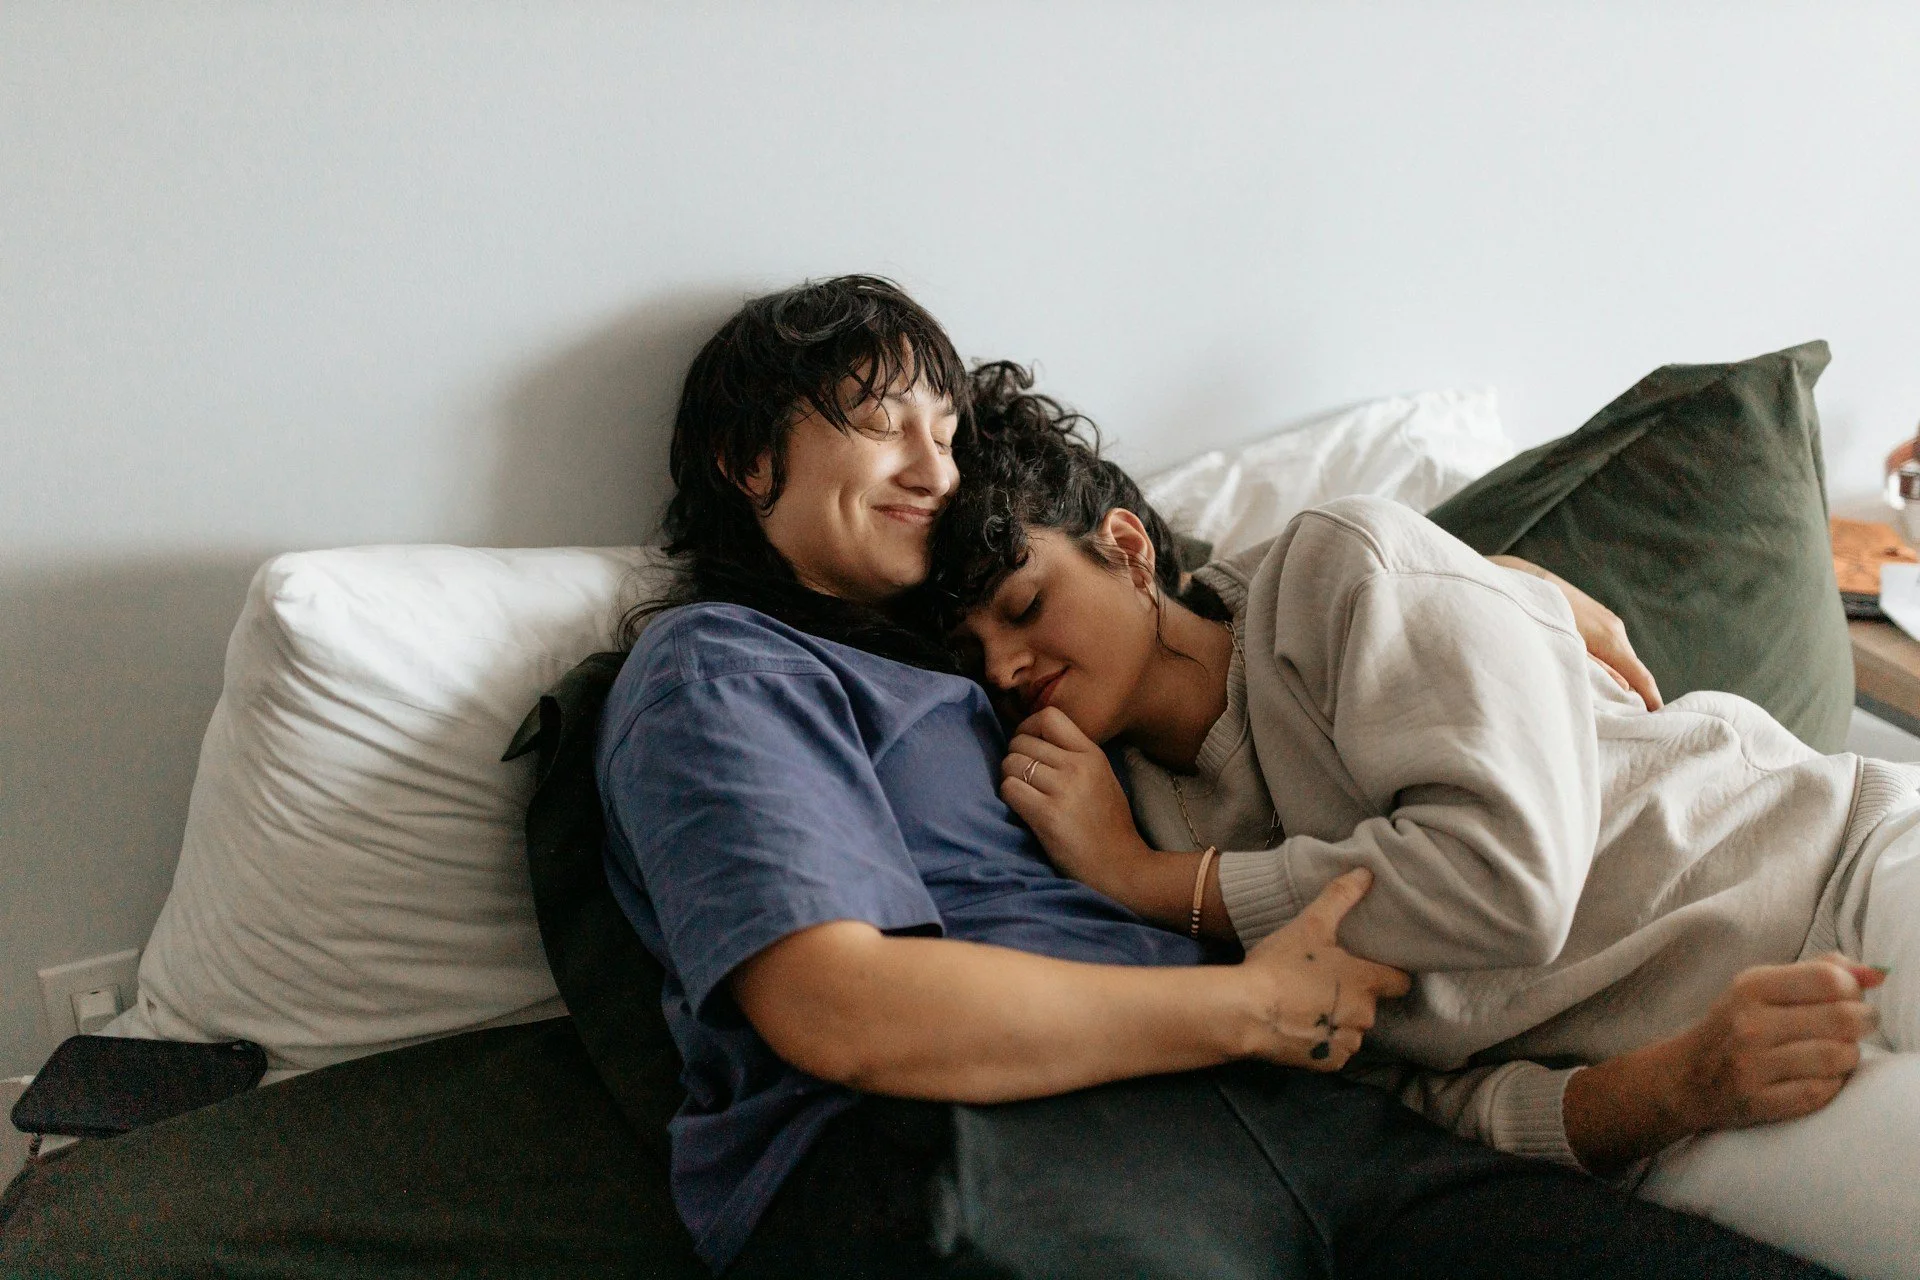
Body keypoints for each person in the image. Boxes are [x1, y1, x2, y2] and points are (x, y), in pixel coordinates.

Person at [596, 274, 1844, 1279]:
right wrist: (1240, 1007)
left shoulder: (988, 660)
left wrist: (1489, 588)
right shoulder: (720, 666)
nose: (934, 465)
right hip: (996, 1143)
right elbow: (839, 1004)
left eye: (944, 426)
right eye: (880, 421)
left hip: (1327, 1122)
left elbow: (1194, 613)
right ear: (741, 460)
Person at [932, 364, 1920, 1277]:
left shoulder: (1335, 571)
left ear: (1127, 548)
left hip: (1848, 862)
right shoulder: (1115, 835)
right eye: (978, 655)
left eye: (1024, 604)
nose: (1010, 666)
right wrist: (1673, 1085)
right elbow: (1410, 1111)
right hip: (1703, 1091)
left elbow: (1507, 878)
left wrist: (1153, 881)